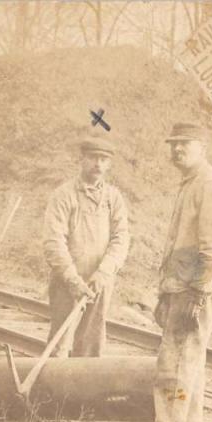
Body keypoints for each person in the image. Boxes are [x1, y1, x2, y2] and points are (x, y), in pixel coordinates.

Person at [125, 122, 212, 422]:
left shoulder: (211, 185)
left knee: (174, 362)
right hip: (189, 284)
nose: (177, 149)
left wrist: (198, 293)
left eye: (185, 144)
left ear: (202, 147)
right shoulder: (195, 183)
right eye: (173, 144)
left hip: (199, 286)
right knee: (190, 363)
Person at [42, 137, 130, 357]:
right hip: (67, 282)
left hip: (99, 282)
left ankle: (84, 393)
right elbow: (53, 241)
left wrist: (104, 271)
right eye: (92, 158)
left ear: (109, 164)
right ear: (81, 159)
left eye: (103, 159)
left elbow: (121, 238)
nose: (97, 164)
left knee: (91, 347)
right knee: (59, 346)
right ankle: (53, 390)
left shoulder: (113, 198)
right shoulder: (64, 195)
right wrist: (72, 280)